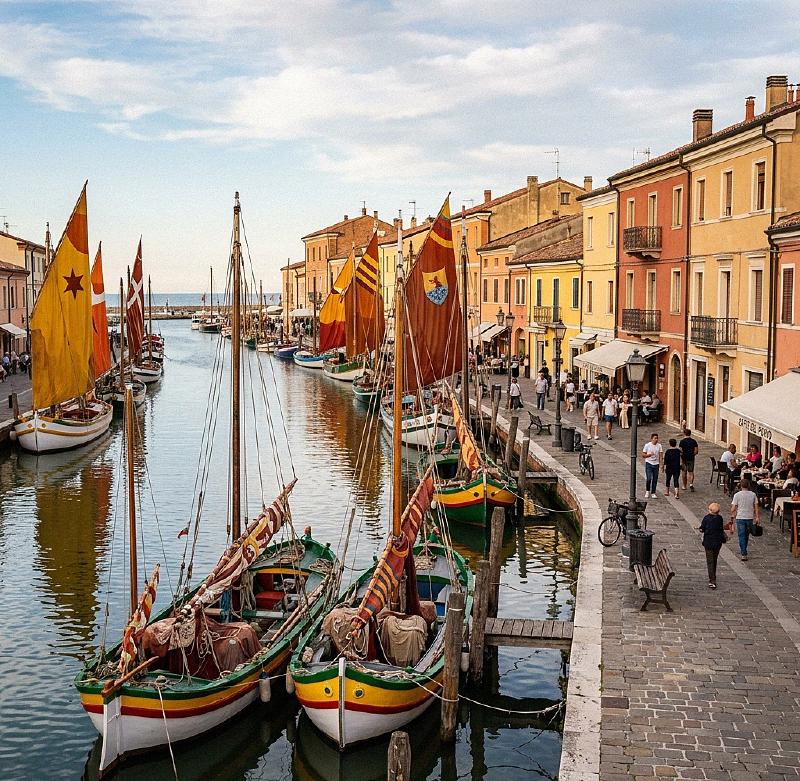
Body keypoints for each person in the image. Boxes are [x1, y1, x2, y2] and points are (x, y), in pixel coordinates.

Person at [730, 478, 760, 562]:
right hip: (749, 517)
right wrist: (757, 517)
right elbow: (756, 507)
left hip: (740, 517)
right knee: (746, 535)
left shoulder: (737, 495)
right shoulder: (753, 495)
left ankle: (743, 553)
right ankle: (744, 550)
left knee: (741, 535)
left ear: (741, 485)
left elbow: (733, 508)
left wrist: (733, 512)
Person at [699, 501, 725, 589]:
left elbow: (702, 528)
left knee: (710, 561)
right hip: (717, 542)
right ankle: (713, 575)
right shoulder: (720, 518)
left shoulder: (706, 518)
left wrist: (701, 529)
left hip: (708, 542)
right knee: (714, 559)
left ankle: (712, 579)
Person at [642, 432, 663, 498]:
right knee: (648, 478)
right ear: (651, 439)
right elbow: (643, 455)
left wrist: (661, 464)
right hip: (649, 463)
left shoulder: (659, 446)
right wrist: (648, 455)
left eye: (657, 438)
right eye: (655, 438)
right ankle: (647, 491)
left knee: (655, 479)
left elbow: (661, 455)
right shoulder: (647, 445)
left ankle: (653, 492)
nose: (656, 440)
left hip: (656, 464)